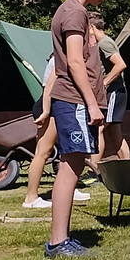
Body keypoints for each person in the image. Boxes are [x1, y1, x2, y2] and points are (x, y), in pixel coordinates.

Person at [44, 0, 115, 258]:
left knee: (72, 166)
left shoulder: (77, 12)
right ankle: (57, 242)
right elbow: (74, 62)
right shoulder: (74, 13)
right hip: (74, 100)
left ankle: (61, 238)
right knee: (70, 167)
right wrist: (90, 103)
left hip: (77, 100)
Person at [22, 56, 90, 208]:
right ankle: (31, 198)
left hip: (62, 105)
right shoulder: (63, 57)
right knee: (43, 152)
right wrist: (46, 111)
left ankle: (68, 189)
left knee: (68, 151)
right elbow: (49, 86)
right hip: (51, 105)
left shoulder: (72, 56)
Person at [87, 12, 130, 180]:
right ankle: (128, 170)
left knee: (98, 129)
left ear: (92, 27)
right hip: (112, 93)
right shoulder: (100, 43)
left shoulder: (105, 42)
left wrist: (104, 83)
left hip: (114, 92)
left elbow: (120, 65)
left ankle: (94, 172)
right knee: (115, 135)